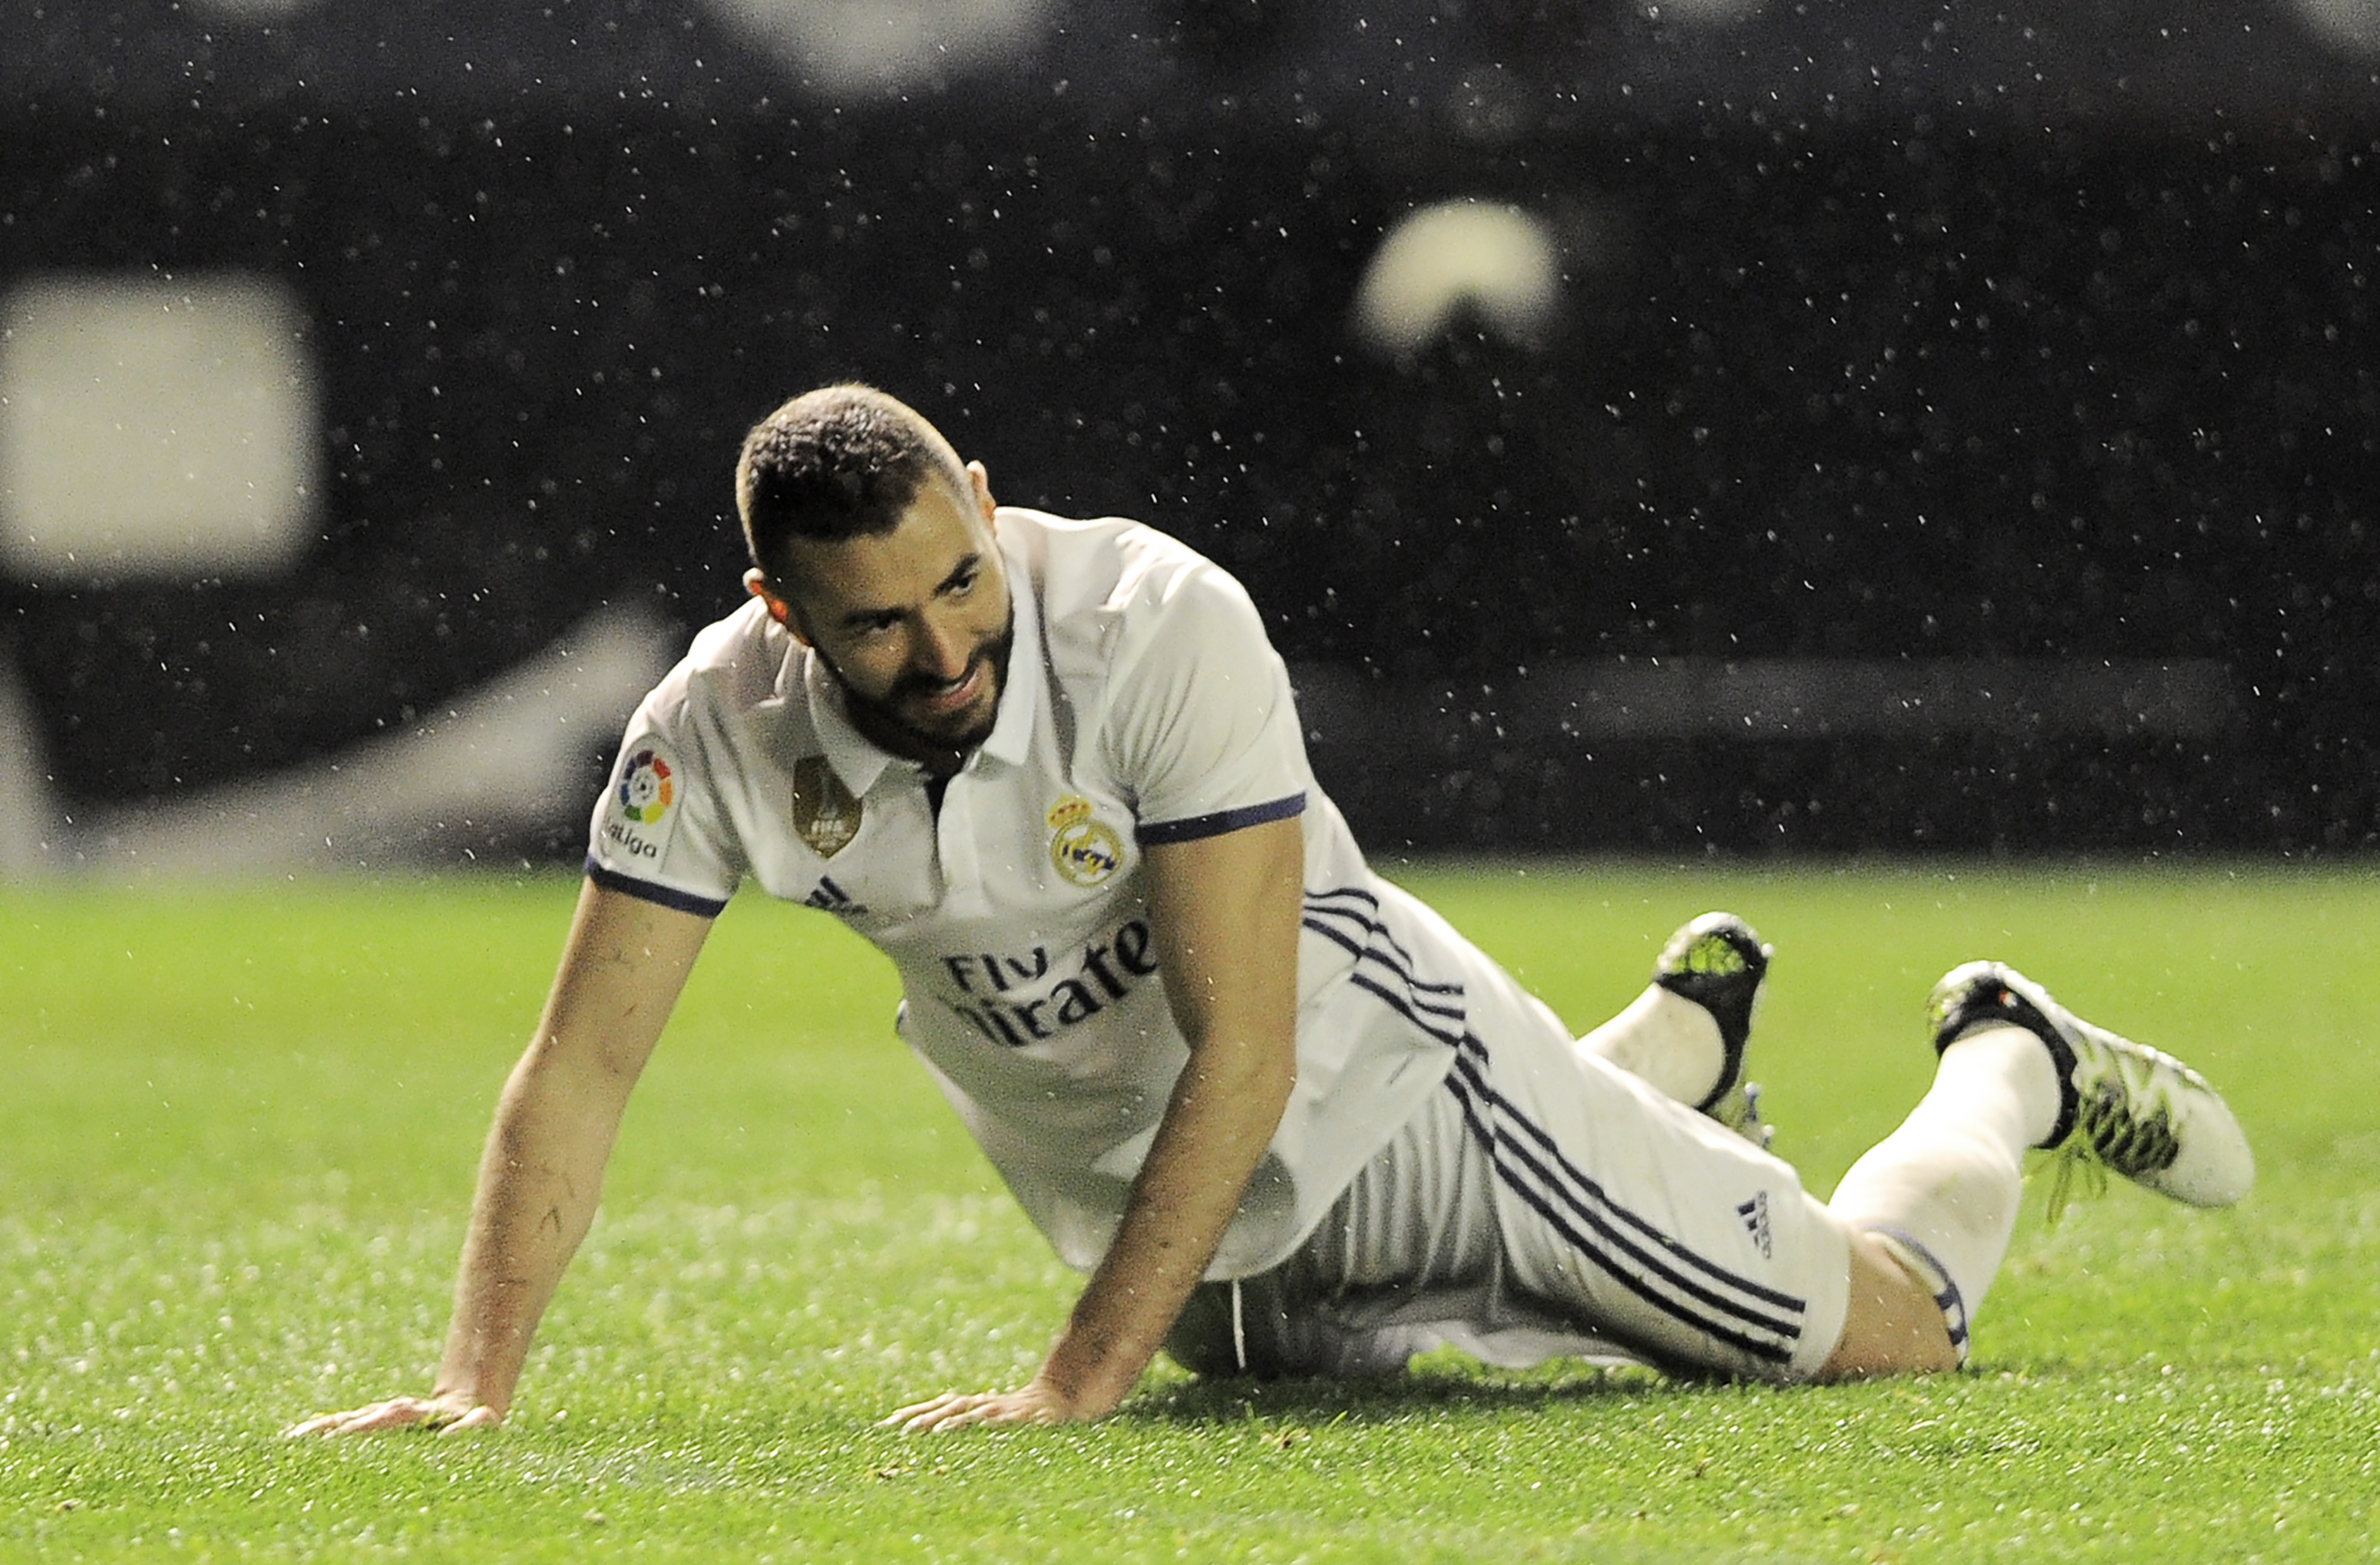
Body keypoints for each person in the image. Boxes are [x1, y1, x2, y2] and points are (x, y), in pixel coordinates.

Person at [289, 383, 2253, 1438]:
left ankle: (2009, 1064)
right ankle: (1676, 1064)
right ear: (783, 616)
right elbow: (578, 1071)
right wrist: (475, 1390)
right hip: (1178, 1226)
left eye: (960, 578)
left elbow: (1253, 1044)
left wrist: (1072, 1386)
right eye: (878, 620)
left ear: (985, 497)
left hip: (1392, 1104)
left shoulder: (1152, 619)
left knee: (1878, 1337)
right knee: (1461, 1395)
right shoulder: (713, 728)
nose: (945, 640)